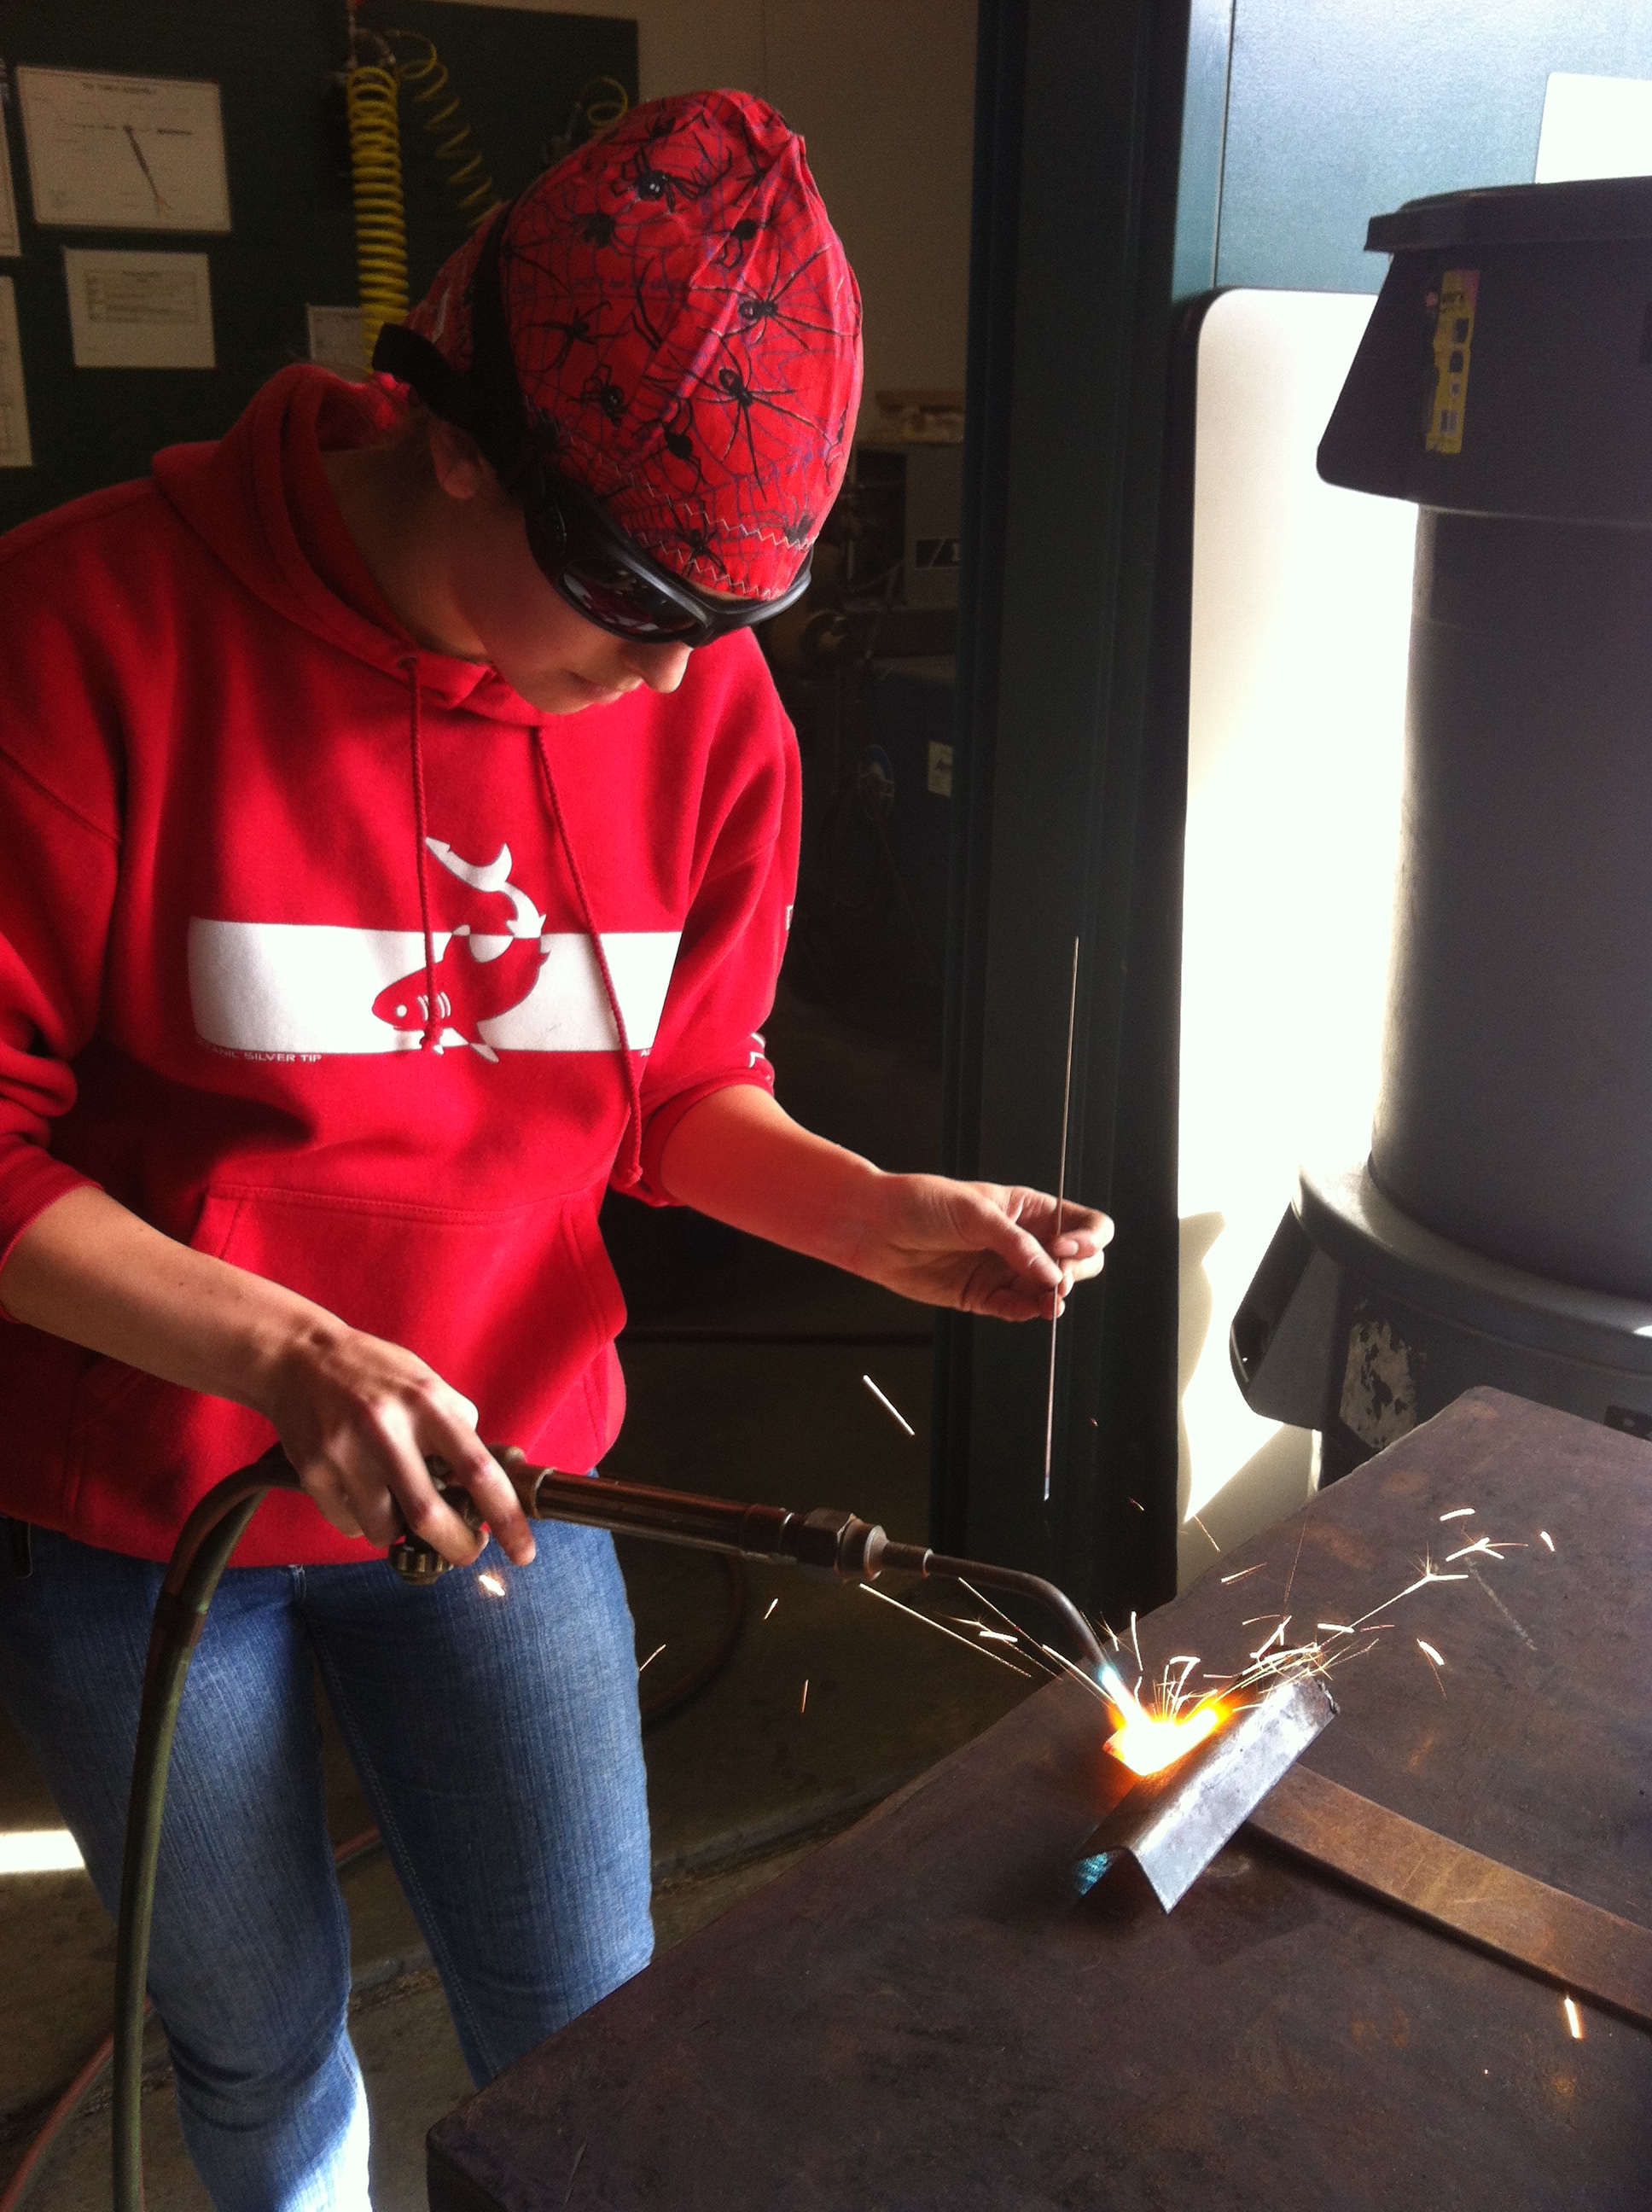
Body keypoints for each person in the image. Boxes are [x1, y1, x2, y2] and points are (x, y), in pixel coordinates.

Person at [0, 90, 1110, 2211]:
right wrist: (287, 1356)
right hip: (150, 1521)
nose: (659, 684)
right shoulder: (76, 643)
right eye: (627, 607)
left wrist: (870, 1214)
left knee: (597, 2040)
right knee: (252, 2057)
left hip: (516, 1474)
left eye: (718, 629)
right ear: (453, 434)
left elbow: (671, 1090)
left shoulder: (696, 695)